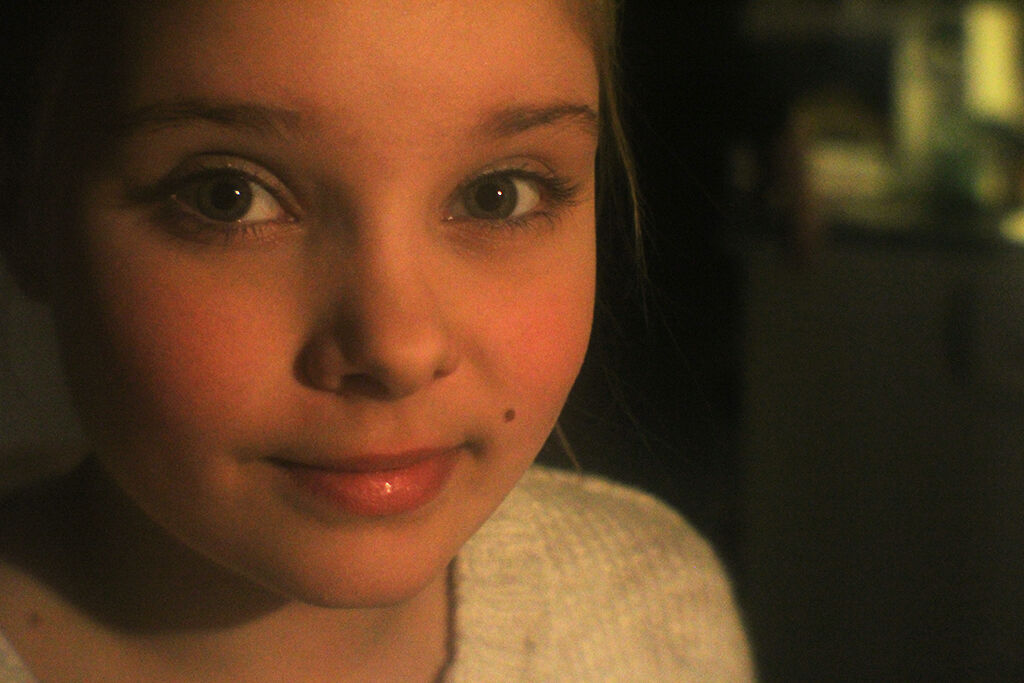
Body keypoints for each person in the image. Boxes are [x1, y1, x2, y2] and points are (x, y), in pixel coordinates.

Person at [0, 0, 754, 680]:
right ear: (25, 207)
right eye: (229, 197)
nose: (397, 350)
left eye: (497, 194)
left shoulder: (650, 611)